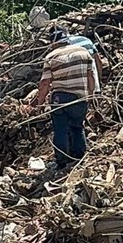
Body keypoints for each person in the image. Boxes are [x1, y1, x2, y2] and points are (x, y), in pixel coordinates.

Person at [34, 28, 96, 169]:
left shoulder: (51, 56)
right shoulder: (83, 52)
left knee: (60, 129)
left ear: (53, 42)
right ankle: (79, 157)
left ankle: (61, 161)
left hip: (59, 99)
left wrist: (40, 103)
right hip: (80, 97)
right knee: (77, 127)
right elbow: (91, 76)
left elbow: (45, 83)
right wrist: (90, 95)